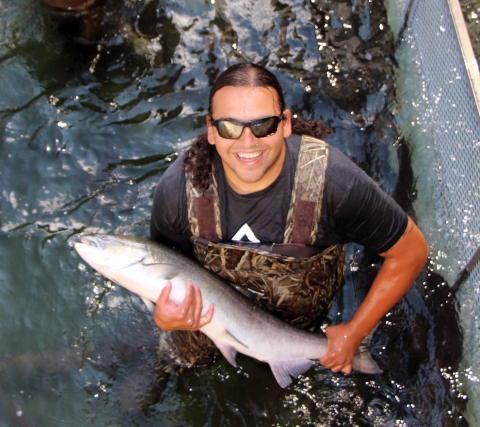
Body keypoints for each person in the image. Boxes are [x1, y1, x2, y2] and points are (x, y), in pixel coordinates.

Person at [150, 62, 429, 374]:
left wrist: (355, 331)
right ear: (212, 131)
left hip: (291, 343)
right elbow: (160, 271)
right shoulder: (178, 190)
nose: (247, 142)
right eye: (230, 127)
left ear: (284, 123)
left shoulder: (334, 184)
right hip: (200, 331)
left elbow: (411, 251)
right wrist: (162, 317)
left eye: (262, 125)